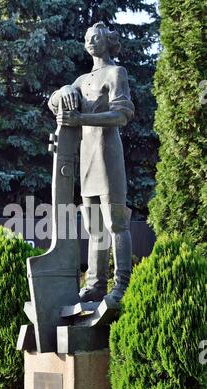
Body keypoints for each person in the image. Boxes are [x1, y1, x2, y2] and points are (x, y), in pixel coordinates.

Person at [48, 22, 134, 306]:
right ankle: (95, 284)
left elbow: (121, 115)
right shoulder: (82, 80)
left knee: (116, 223)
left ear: (108, 42)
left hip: (108, 154)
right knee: (94, 226)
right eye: (86, 38)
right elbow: (53, 102)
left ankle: (122, 285)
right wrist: (62, 91)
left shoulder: (115, 73)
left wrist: (82, 119)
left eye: (95, 38)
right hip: (86, 159)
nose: (89, 42)